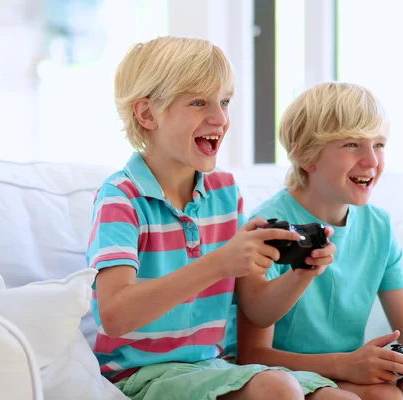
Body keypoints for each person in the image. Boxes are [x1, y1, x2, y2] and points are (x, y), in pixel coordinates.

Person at [86, 36, 339, 400]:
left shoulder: (224, 192)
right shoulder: (121, 199)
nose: (219, 118)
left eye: (224, 102)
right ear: (147, 114)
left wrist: (302, 274)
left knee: (337, 398)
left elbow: (256, 308)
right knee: (277, 388)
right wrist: (218, 263)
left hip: (213, 367)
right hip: (139, 376)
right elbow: (114, 314)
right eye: (198, 102)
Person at [232, 82, 403, 400]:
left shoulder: (379, 226)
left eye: (378, 144)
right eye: (352, 144)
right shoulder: (269, 230)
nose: (371, 161)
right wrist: (346, 365)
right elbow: (253, 356)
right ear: (305, 154)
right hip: (283, 375)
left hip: (348, 367)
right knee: (383, 398)